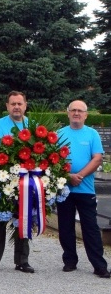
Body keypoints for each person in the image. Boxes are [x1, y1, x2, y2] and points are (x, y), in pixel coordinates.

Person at [56, 100, 109, 278]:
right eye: (73, 110)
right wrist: (69, 176)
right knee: (65, 227)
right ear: (68, 113)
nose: (76, 113)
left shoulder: (92, 134)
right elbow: (54, 160)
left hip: (85, 189)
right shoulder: (59, 134)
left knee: (91, 228)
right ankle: (70, 261)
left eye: (80, 111)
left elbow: (97, 159)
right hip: (65, 190)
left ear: (86, 115)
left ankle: (99, 265)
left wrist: (79, 175)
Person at [0, 91, 33, 274]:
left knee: (24, 220)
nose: (16, 107)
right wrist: (7, 157)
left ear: (25, 105)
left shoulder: (32, 126)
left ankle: (22, 261)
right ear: (7, 106)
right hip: (3, 181)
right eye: (13, 104)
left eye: (20, 103)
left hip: (26, 182)